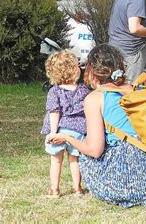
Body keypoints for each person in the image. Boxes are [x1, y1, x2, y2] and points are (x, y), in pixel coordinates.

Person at [48, 44, 146, 207]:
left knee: (84, 152)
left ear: (91, 70)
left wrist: (67, 137)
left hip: (132, 171)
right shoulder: (133, 88)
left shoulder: (94, 98)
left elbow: (95, 150)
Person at [40, 49, 90, 198]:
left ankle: (54, 189)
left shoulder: (55, 91)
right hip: (79, 131)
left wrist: (53, 132)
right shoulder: (83, 90)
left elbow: (54, 112)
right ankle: (77, 189)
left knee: (56, 161)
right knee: (75, 160)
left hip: (61, 130)